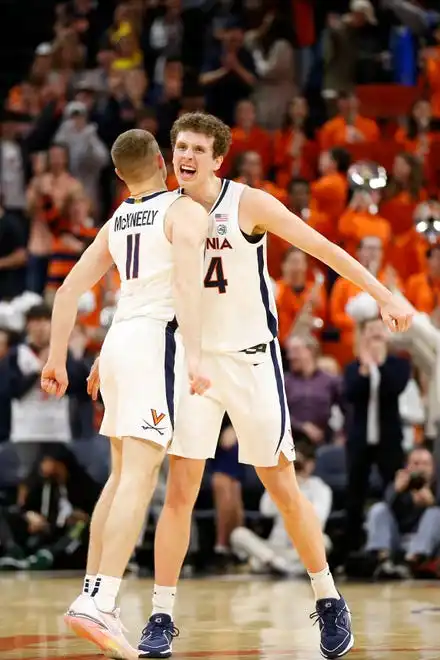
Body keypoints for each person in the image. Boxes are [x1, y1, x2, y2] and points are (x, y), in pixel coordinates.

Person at [88, 113, 413, 660]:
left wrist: (383, 294)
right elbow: (138, 290)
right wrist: (105, 352)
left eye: (198, 148)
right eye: (180, 146)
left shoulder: (249, 204)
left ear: (218, 159)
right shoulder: (163, 211)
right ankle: (161, 614)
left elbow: (322, 248)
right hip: (191, 366)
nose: (186, 155)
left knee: (282, 485)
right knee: (182, 491)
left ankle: (328, 597)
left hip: (251, 362)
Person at [40, 127, 210, 660]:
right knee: (140, 476)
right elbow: (186, 288)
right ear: (162, 161)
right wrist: (199, 356)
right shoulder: (181, 211)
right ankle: (103, 599)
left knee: (119, 477)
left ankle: (95, 597)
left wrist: (55, 357)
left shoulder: (117, 218)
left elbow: (68, 290)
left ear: (118, 175)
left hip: (116, 346)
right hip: (154, 342)